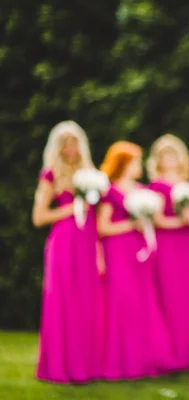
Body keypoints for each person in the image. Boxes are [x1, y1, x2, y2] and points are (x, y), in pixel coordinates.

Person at [33, 121, 103, 383]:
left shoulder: (90, 174)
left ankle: (84, 366)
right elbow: (39, 217)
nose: (70, 148)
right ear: (57, 147)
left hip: (86, 245)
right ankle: (59, 367)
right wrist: (72, 208)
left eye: (74, 142)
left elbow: (95, 220)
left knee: (86, 304)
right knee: (62, 302)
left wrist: (98, 253)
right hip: (63, 244)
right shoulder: (50, 175)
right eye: (65, 143)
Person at [98, 141, 173, 379]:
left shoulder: (142, 191)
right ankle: (120, 362)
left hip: (140, 252)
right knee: (123, 302)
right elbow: (103, 227)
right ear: (124, 164)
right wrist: (132, 224)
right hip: (118, 251)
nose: (139, 165)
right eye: (135, 161)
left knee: (144, 302)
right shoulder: (110, 191)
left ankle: (143, 360)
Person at [147, 134, 189, 372]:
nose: (169, 159)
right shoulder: (157, 185)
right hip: (168, 245)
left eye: (172, 154)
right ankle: (170, 355)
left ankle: (187, 355)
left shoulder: (187, 184)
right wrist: (181, 221)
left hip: (187, 246)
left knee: (188, 296)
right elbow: (157, 220)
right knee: (170, 294)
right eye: (164, 155)